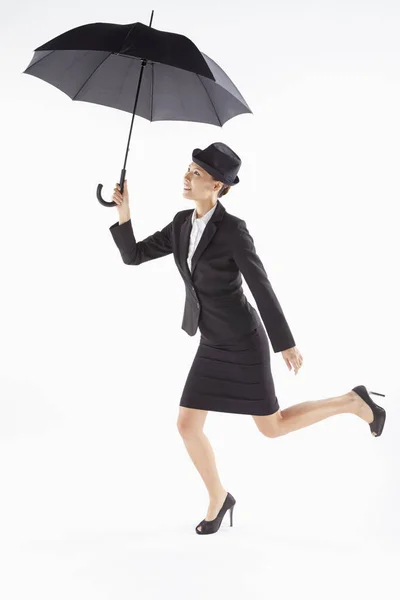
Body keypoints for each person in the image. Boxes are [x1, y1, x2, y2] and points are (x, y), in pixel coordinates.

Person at [109, 142, 386, 535]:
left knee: (272, 428)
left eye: (197, 174)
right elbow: (133, 255)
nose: (187, 177)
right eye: (188, 169)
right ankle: (219, 498)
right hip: (210, 342)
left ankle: (352, 402)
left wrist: (284, 343)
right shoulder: (180, 224)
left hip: (243, 341)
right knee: (187, 425)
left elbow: (260, 285)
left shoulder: (233, 230)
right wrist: (124, 212)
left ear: (217, 186)